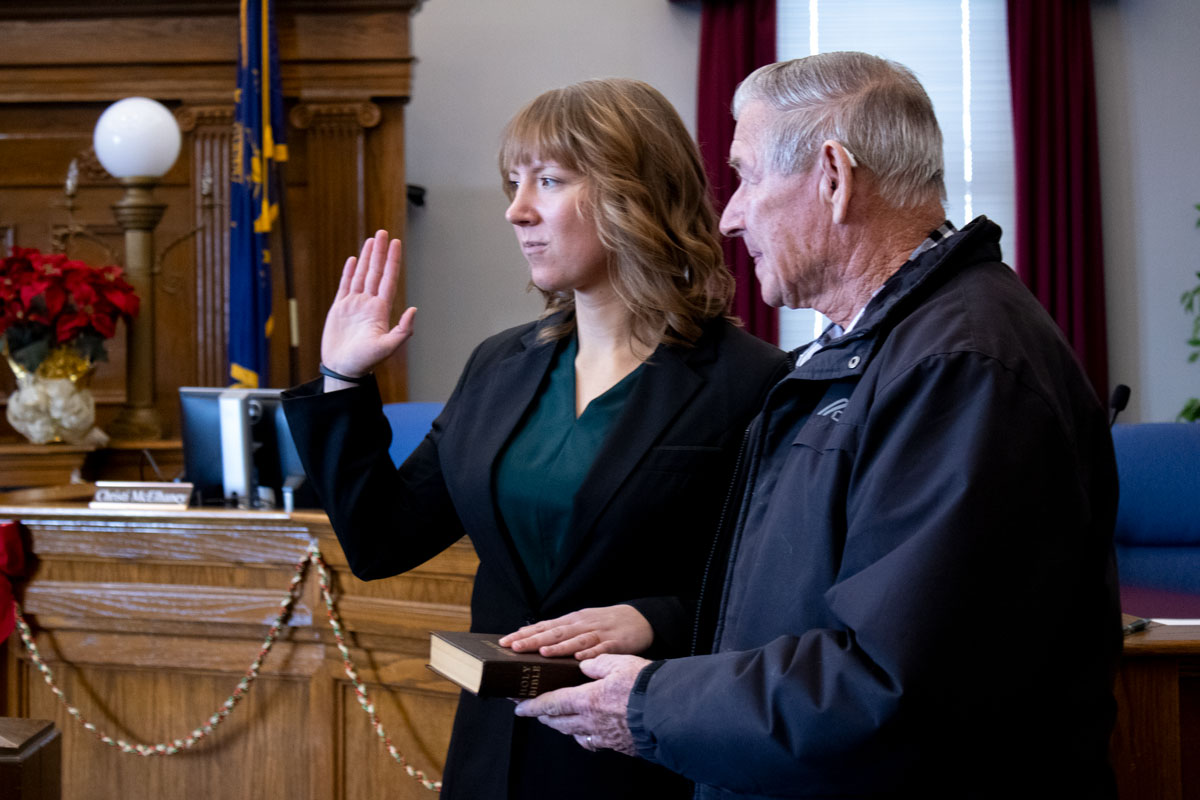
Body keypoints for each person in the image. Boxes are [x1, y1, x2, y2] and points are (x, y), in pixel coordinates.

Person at [515, 52, 1123, 798]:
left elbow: (891, 682)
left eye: (746, 177)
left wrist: (648, 704)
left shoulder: (959, 367)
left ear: (832, 178)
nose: (730, 217)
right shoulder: (863, 354)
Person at [282, 78, 787, 799]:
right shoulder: (499, 365)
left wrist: (657, 617)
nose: (517, 211)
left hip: (643, 757)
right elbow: (382, 541)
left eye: (548, 181)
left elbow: (773, 598)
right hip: (494, 755)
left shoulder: (752, 381)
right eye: (513, 183)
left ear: (634, 195)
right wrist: (341, 379)